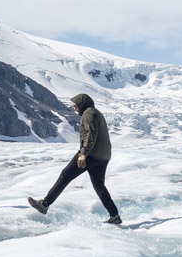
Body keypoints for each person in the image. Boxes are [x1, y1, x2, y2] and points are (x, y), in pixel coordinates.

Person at [28, 93, 121, 224]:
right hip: (103, 156)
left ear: (82, 104)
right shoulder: (95, 112)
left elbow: (90, 135)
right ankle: (114, 215)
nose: (74, 108)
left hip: (92, 154)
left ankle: (44, 204)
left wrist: (83, 154)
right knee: (99, 186)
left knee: (65, 175)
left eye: (75, 105)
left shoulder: (89, 114)